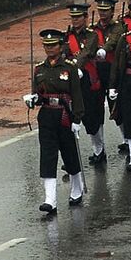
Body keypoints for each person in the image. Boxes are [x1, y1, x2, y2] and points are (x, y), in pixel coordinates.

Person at [23, 29, 86, 215]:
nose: (49, 48)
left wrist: (77, 118)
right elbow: (39, 94)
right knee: (48, 155)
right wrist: (33, 100)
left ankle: (76, 189)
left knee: (69, 154)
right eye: (46, 45)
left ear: (60, 46)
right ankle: (50, 199)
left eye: (53, 45)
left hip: (65, 115)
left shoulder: (69, 68)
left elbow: (76, 94)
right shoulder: (39, 69)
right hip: (47, 116)